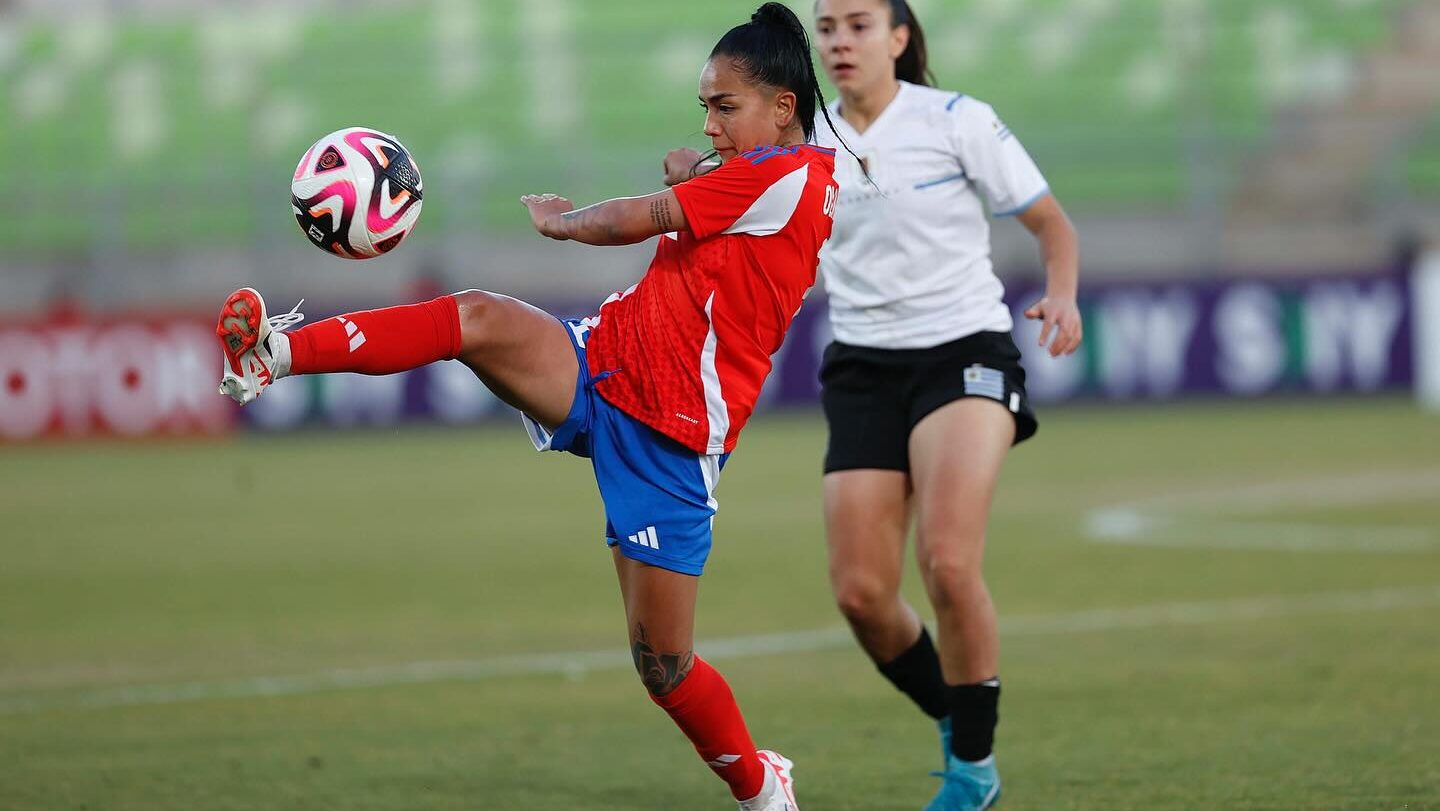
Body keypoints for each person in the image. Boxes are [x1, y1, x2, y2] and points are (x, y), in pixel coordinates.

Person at [213, 5, 842, 809]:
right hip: (606, 358)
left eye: (726, 107)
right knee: (475, 317)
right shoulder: (780, 170)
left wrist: (564, 223)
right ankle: (274, 353)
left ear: (782, 107)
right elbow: (733, 214)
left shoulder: (783, 175)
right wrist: (699, 173)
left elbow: (636, 218)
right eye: (705, 108)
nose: (712, 124)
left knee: (664, 666)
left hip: (672, 436)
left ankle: (761, 785)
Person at [815, 1, 1081, 808]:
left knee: (948, 561)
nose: (838, 41)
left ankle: (972, 771)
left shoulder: (957, 121)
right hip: (861, 366)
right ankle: (958, 715)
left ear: (898, 38)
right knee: (861, 594)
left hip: (964, 352)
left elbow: (1050, 223)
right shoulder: (805, 142)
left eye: (858, 24)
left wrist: (1062, 296)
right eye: (825, 26)